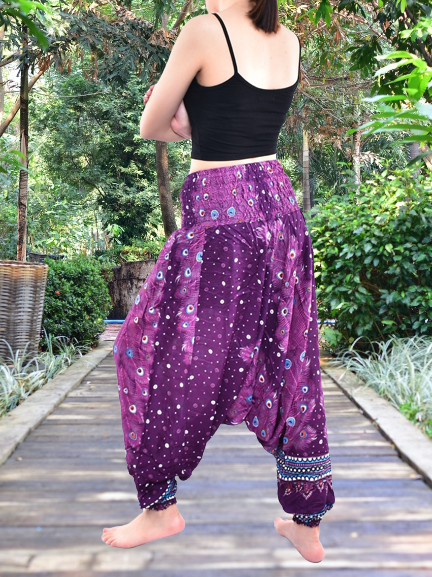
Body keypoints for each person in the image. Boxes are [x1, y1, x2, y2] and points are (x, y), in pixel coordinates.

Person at [102, 0, 336, 563]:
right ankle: (307, 520)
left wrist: (181, 117)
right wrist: (194, 119)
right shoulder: (289, 39)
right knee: (291, 357)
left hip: (220, 214)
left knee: (149, 347)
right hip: (280, 210)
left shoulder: (204, 31)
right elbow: (240, 118)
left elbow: (152, 126)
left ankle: (160, 508)